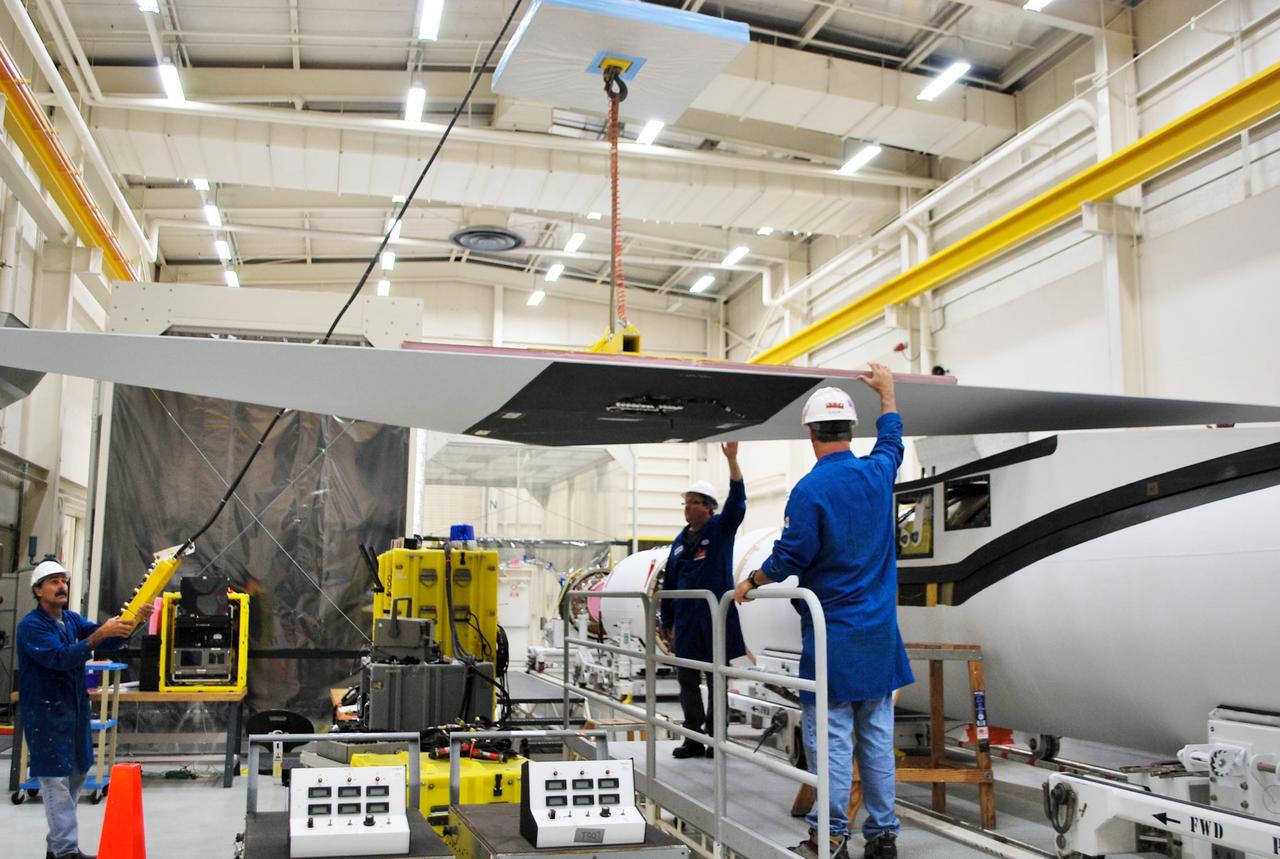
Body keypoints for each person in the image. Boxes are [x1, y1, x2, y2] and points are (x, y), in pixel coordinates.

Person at [734, 363, 912, 859]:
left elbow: (790, 559)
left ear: (810, 434)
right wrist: (889, 395)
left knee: (832, 741)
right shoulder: (878, 474)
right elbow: (892, 441)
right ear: (851, 431)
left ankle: (830, 837)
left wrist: (750, 582)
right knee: (876, 739)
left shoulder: (810, 491)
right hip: (878, 636)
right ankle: (882, 837)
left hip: (833, 637)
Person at [18, 559, 151, 859]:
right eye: (53, 581)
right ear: (38, 590)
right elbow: (60, 658)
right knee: (56, 785)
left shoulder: (72, 620)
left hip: (74, 712)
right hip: (46, 716)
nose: (61, 586)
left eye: (63, 580)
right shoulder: (31, 627)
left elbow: (111, 642)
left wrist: (135, 621)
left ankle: (57, 848)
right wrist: (98, 635)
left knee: (77, 773)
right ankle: (65, 851)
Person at [659, 442, 748, 759]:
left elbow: (738, 503)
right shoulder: (680, 542)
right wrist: (666, 621)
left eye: (693, 502)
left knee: (716, 679)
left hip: (714, 620)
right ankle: (693, 737)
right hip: (686, 621)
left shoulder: (720, 529)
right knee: (686, 680)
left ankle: (716, 739)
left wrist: (732, 461)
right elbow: (670, 581)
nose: (687, 507)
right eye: (685, 502)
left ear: (708, 507)